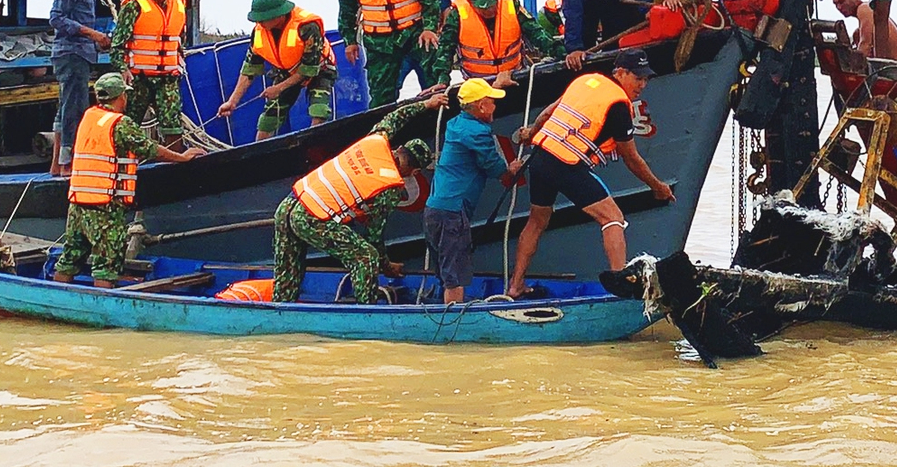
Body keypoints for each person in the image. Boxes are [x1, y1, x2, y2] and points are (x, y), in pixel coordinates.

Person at [504, 49, 674, 297]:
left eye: (646, 79)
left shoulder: (584, 81)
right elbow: (631, 159)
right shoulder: (618, 104)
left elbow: (547, 113)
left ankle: (516, 285)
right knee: (613, 217)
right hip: (566, 163)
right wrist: (657, 187)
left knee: (537, 220)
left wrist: (532, 131)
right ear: (620, 73)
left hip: (540, 157)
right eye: (638, 78)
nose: (642, 85)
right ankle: (621, 285)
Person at [271, 96, 439, 304]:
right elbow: (374, 238)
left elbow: (396, 117)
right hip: (310, 218)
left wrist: (426, 104)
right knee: (366, 256)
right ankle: (366, 310)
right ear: (414, 171)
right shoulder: (388, 187)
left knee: (289, 269)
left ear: (398, 149)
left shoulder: (375, 140)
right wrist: (387, 267)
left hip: (289, 204)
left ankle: (279, 308)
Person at [53, 73, 205, 286]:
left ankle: (58, 297)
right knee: (106, 265)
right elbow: (150, 149)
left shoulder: (89, 117)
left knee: (70, 257)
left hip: (78, 203)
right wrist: (181, 158)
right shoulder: (120, 123)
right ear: (121, 96)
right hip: (104, 206)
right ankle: (103, 308)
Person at [425, 77, 522, 303]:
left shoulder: (455, 124)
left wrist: (495, 85)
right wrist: (511, 170)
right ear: (481, 105)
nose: (495, 107)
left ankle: (444, 311)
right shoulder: (477, 132)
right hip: (452, 213)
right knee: (455, 276)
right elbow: (493, 166)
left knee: (445, 271)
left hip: (434, 210)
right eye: (491, 102)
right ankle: (454, 321)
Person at [217, 0, 334, 140]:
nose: (259, 23)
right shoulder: (259, 33)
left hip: (319, 69)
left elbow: (308, 70)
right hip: (287, 71)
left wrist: (278, 88)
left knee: (319, 110)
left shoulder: (307, 27)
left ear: (278, 16)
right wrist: (232, 102)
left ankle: (314, 147)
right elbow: (249, 70)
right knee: (267, 120)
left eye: (263, 19)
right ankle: (259, 155)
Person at [49, 0, 114, 176]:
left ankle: (57, 165)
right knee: (75, 108)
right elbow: (56, 18)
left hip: (83, 52)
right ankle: (68, 164)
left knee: (65, 107)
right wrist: (92, 34)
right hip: (71, 52)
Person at [109, 0, 188, 147]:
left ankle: (175, 165)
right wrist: (123, 70)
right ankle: (124, 165)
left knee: (173, 126)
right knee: (129, 125)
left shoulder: (178, 6)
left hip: (168, 79)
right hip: (139, 79)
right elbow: (117, 44)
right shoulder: (134, 6)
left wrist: (179, 59)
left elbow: (178, 40)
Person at [439, 0, 559, 84]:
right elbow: (445, 49)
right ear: (471, 3)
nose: (490, 10)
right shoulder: (457, 15)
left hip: (513, 77)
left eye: (492, 4)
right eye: (484, 7)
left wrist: (559, 52)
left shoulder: (512, 6)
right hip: (478, 84)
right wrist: (442, 79)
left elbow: (536, 33)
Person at [829, 0, 897, 61]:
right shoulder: (864, 16)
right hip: (891, 63)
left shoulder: (864, 9)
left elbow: (866, 45)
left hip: (896, 66)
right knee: (856, 34)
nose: (839, 7)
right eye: (835, 4)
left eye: (841, 2)